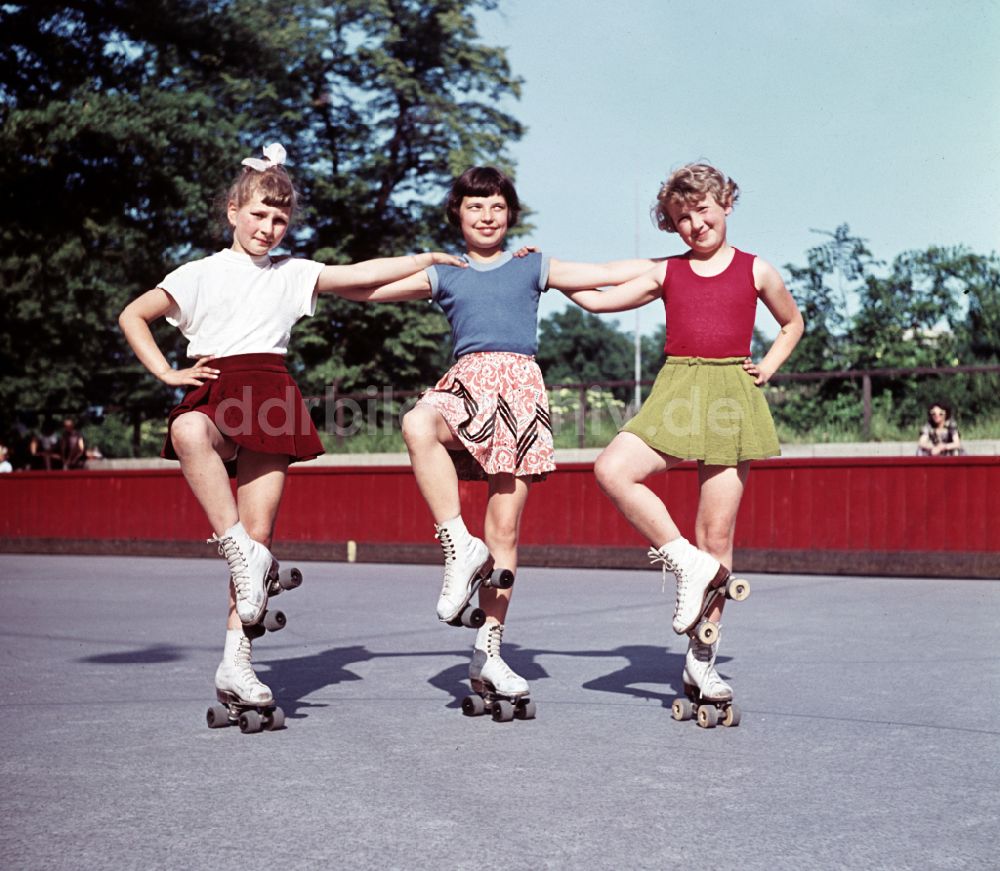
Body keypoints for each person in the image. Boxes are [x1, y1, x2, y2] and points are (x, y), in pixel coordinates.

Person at [118, 142, 466, 720]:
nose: (269, 227)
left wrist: (426, 257)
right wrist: (167, 371)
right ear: (233, 210)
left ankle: (237, 663)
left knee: (258, 547)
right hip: (216, 386)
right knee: (188, 435)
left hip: (272, 394)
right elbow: (134, 313)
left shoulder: (292, 274)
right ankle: (234, 549)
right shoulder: (197, 274)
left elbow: (359, 274)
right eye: (258, 214)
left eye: (280, 219)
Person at [335, 166, 654, 711]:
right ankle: (457, 544)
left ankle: (488, 652)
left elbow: (602, 273)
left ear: (510, 214)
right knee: (418, 423)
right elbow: (365, 292)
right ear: (457, 214)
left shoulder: (532, 266)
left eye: (497, 207)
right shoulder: (448, 272)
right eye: (475, 206)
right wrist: (419, 261)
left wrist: (675, 268)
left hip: (519, 393)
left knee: (504, 530)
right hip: (466, 382)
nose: (486, 216)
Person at [561, 163, 804, 716]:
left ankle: (703, 658)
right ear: (672, 226)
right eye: (680, 218)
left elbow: (792, 324)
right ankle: (680, 561)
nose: (694, 224)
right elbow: (600, 298)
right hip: (677, 386)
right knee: (612, 469)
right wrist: (544, 278)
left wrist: (767, 366)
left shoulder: (756, 269)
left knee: (716, 538)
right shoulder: (667, 273)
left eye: (702, 210)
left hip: (730, 397)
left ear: (726, 203)